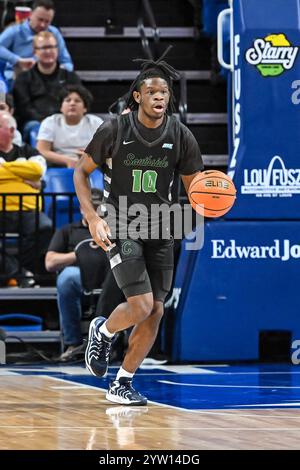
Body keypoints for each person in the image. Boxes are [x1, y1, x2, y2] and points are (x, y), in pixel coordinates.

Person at [74, 51, 204, 405]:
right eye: (152, 92)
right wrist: (93, 218)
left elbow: (196, 186)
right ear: (138, 96)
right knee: (142, 304)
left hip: (161, 227)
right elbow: (80, 172)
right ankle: (103, 329)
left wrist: (209, 202)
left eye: (164, 93)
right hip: (120, 222)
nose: (160, 97)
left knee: (157, 310)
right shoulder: (114, 128)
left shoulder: (180, 135)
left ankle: (123, 383)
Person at [45, 189, 109, 362]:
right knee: (67, 278)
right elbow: (50, 262)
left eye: (98, 207)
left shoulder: (114, 229)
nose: (95, 211)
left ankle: (123, 343)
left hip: (108, 274)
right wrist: (81, 254)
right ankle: (73, 343)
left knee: (128, 278)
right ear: (82, 208)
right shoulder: (68, 230)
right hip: (80, 274)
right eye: (91, 206)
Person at [0, 111, 52, 285]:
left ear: (11, 130)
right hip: (1, 209)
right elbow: (32, 173)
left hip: (28, 209)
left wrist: (4, 169)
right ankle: (20, 272)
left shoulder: (28, 150)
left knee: (45, 227)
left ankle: (14, 270)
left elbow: (37, 171)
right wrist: (22, 173)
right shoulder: (26, 157)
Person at [13, 31, 80, 137]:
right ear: (35, 52)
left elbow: (80, 102)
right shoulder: (23, 79)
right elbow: (24, 109)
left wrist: (61, 121)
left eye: (52, 47)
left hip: (65, 121)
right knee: (36, 129)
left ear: (57, 50)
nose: (48, 51)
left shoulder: (71, 77)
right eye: (44, 48)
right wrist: (47, 122)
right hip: (35, 123)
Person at [0, 0, 73, 83]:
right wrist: (17, 60)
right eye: (40, 20)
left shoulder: (54, 32)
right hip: (17, 78)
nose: (43, 25)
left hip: (47, 80)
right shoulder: (15, 31)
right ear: (30, 15)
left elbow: (67, 62)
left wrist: (59, 72)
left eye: (47, 21)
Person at [37, 85, 103, 168]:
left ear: (85, 108)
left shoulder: (95, 122)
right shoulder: (50, 122)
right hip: (57, 164)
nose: (72, 103)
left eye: (77, 101)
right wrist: (67, 160)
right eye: (68, 100)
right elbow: (42, 150)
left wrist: (91, 155)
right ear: (61, 107)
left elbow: (106, 149)